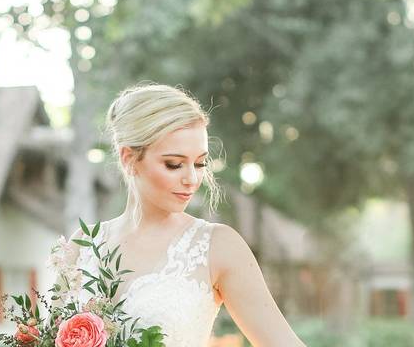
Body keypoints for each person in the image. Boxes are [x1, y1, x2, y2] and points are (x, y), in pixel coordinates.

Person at [59, 82, 307, 347]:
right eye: (174, 164)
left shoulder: (218, 246)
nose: (192, 178)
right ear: (129, 158)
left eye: (200, 163)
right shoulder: (81, 246)